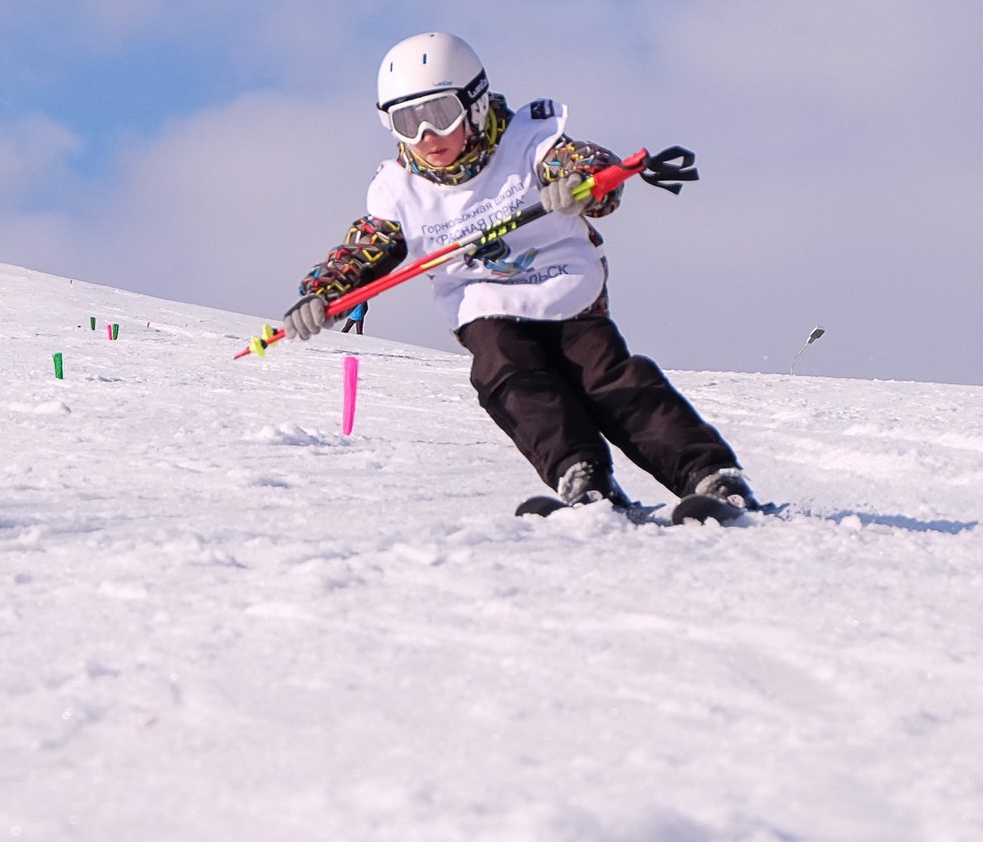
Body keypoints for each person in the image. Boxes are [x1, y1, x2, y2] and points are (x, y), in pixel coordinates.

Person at [273, 31, 756, 515]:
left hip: (561, 283)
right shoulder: (399, 188)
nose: (427, 138)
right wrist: (321, 293)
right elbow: (365, 248)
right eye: (407, 122)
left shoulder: (527, 142)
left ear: (476, 105)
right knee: (505, 374)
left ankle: (708, 474)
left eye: (441, 116)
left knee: (607, 380)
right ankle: (581, 475)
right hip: (481, 300)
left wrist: (581, 186)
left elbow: (585, 165)